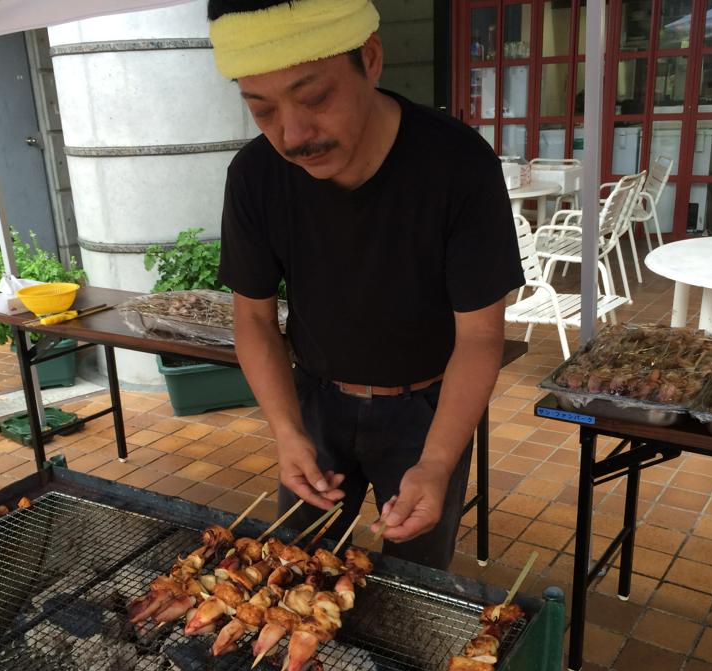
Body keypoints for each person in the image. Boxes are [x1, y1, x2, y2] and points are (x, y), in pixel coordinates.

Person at [208, 0, 522, 570]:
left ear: (370, 58)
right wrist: (286, 431)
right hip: (316, 405)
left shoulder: (457, 165)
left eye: (315, 97)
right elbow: (252, 318)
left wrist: (436, 462)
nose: (293, 134)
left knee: (416, 577)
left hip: (427, 412)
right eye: (262, 109)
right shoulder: (255, 176)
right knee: (297, 568)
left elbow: (479, 336)